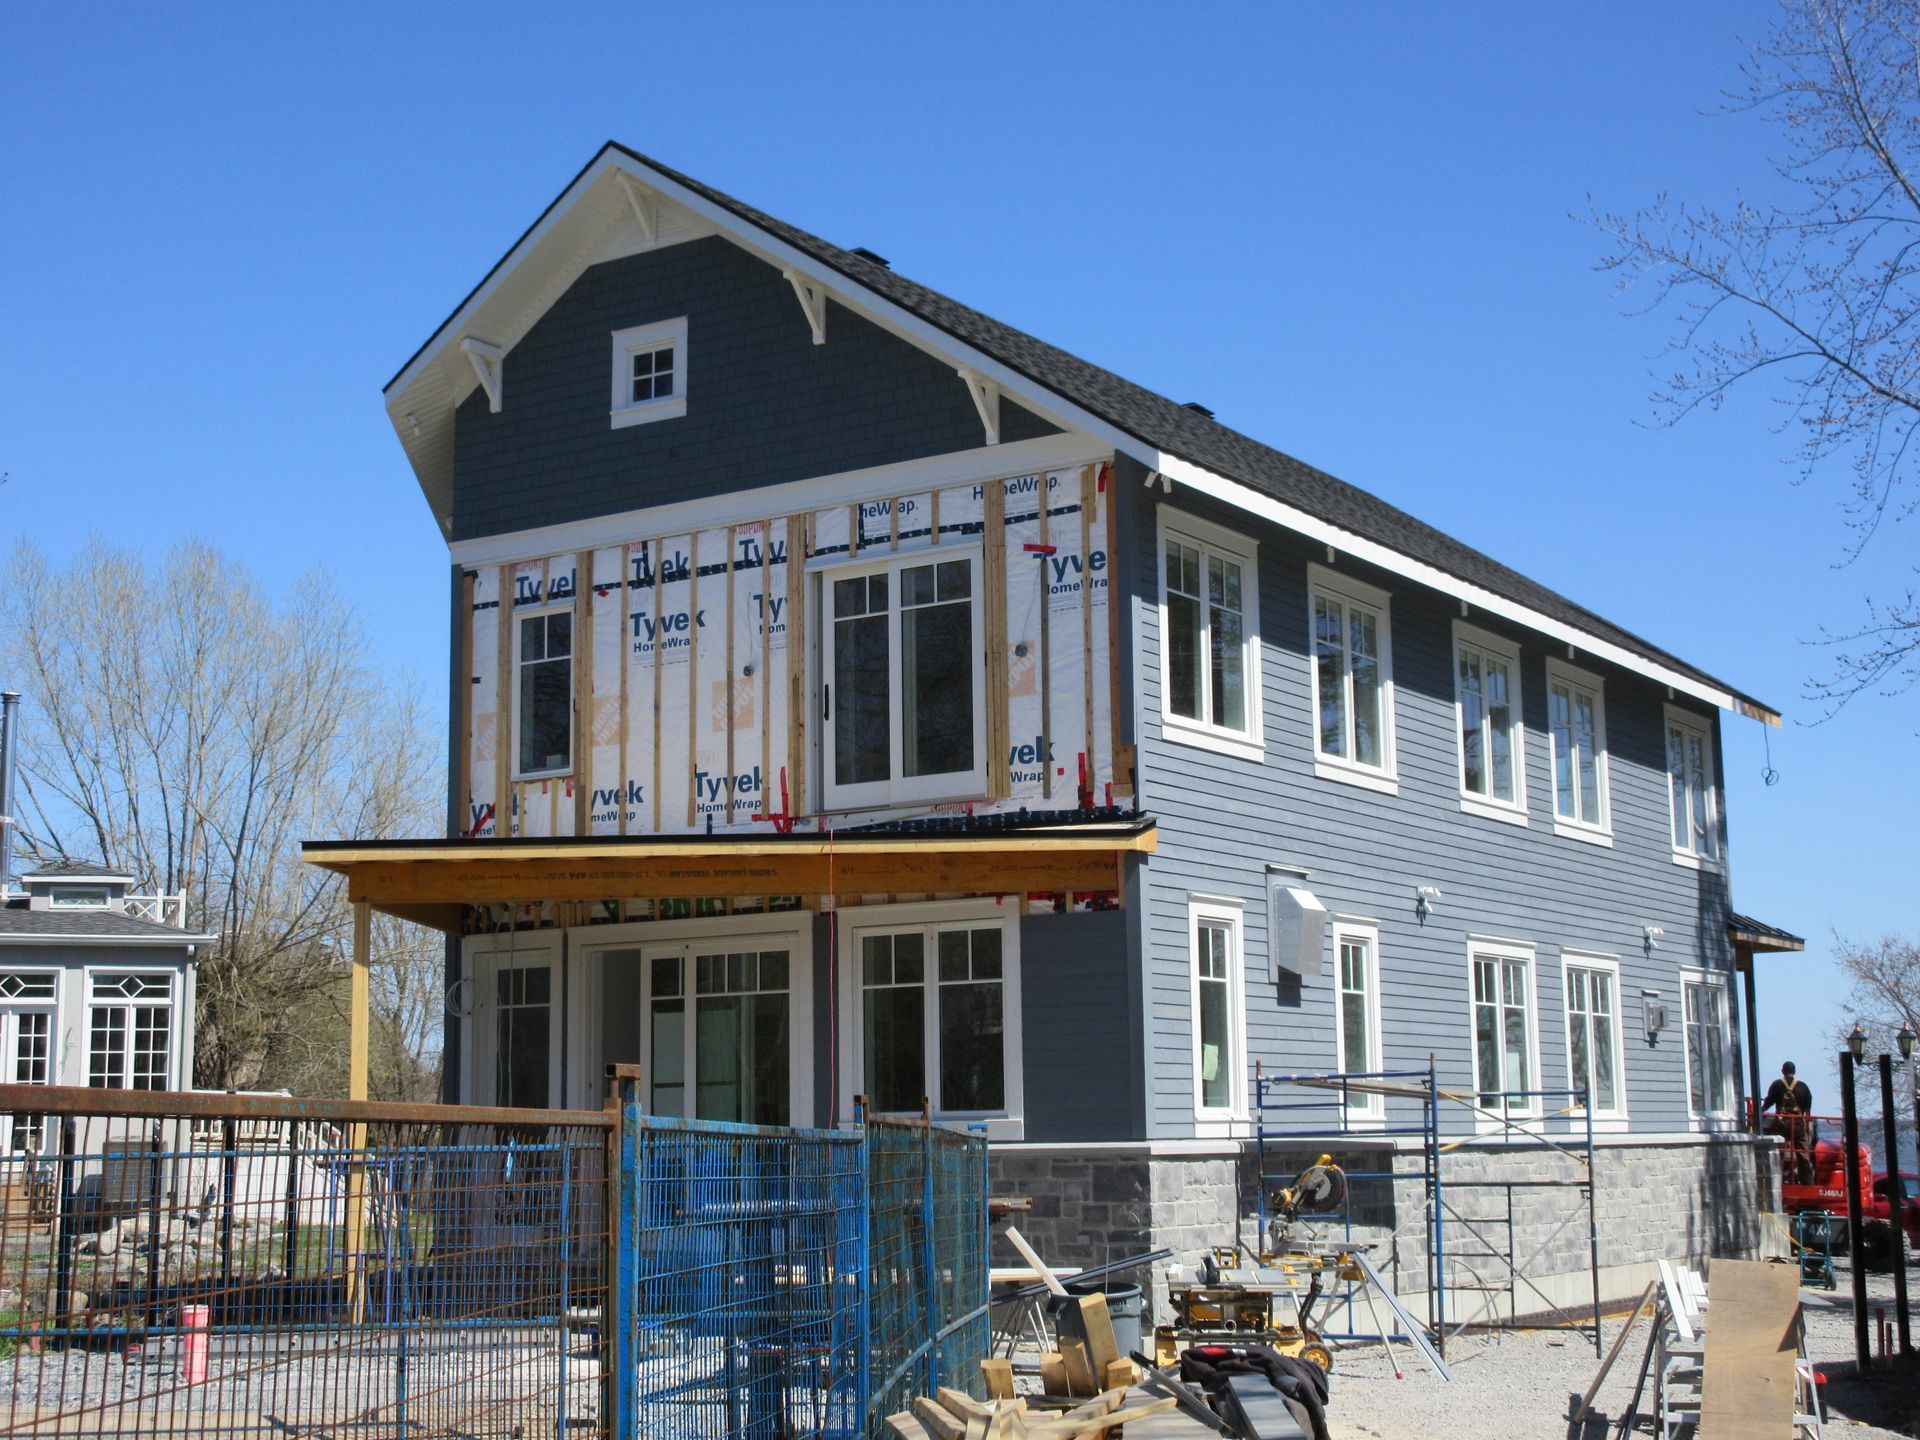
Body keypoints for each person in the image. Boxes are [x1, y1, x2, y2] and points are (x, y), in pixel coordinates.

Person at [1760, 1061, 1814, 1184]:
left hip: (1782, 1126)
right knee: (1803, 1156)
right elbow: (1807, 1110)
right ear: (1794, 1071)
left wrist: (1759, 1112)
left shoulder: (1776, 1085)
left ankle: (1776, 1182)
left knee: (1779, 1154)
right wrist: (1806, 1127)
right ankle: (1808, 1183)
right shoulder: (1803, 1087)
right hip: (1799, 1126)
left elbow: (1768, 1103)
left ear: (1782, 1071)